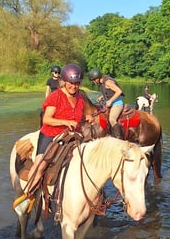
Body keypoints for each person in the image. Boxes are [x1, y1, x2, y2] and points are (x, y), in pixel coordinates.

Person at [14, 63, 88, 212]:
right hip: (51, 134)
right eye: (71, 83)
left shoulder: (80, 98)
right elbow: (47, 119)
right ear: (65, 81)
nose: (74, 86)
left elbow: (78, 117)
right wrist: (65, 122)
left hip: (72, 136)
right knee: (40, 165)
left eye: (77, 83)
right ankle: (29, 195)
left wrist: (87, 119)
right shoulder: (55, 97)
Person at [87, 68, 125, 139]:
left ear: (97, 78)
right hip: (110, 104)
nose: (93, 82)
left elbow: (119, 91)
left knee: (112, 119)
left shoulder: (108, 82)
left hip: (117, 103)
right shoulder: (103, 82)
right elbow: (109, 91)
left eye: (93, 80)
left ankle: (119, 138)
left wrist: (110, 101)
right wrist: (102, 97)